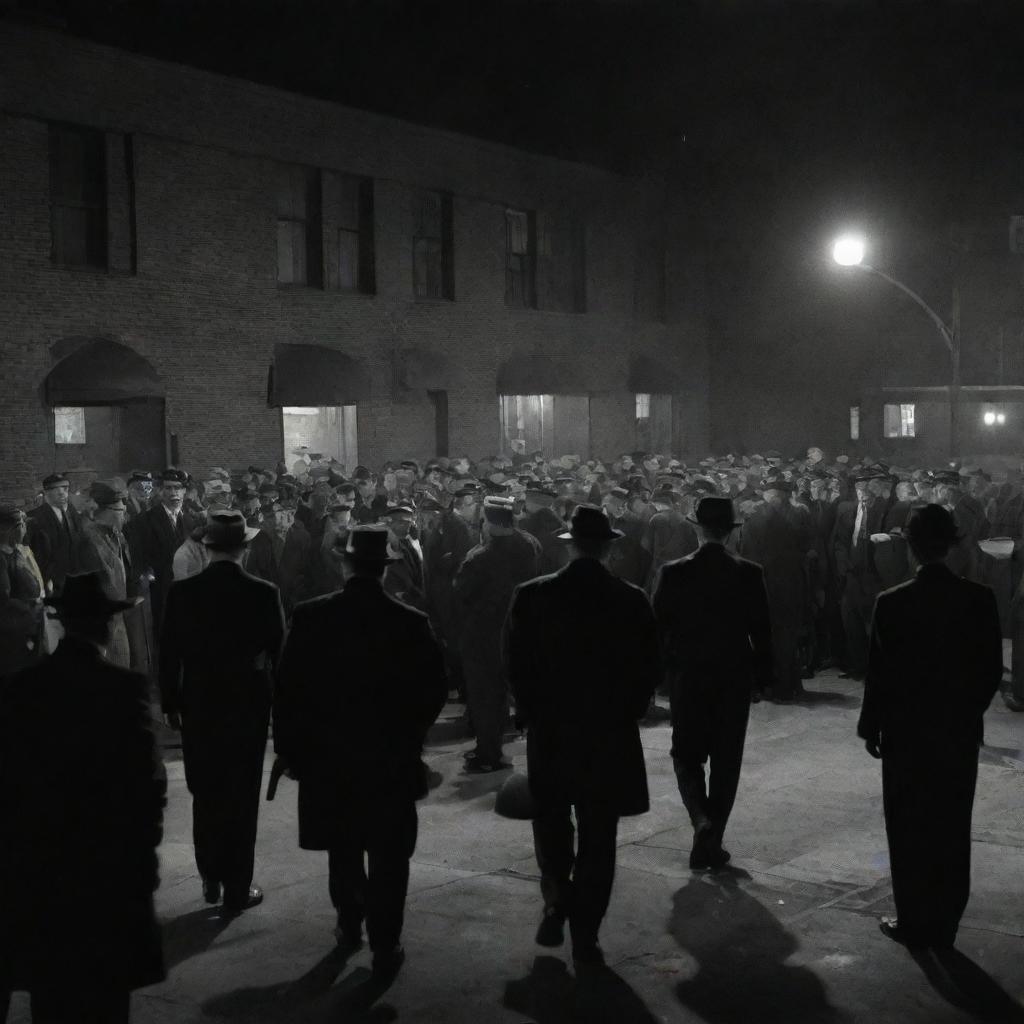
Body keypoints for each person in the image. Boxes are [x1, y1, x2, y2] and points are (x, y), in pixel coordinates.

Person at [274, 526, 446, 981]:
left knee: (343, 846)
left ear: (345, 564)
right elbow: (433, 691)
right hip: (389, 759)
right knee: (390, 855)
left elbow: (288, 690)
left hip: (330, 760)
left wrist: (291, 750)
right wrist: (410, 737)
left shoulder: (311, 617)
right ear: (385, 570)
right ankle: (386, 943)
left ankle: (349, 924)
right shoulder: (410, 622)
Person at [0, 572, 165, 1023]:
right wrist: (144, 862)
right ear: (109, 627)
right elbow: (146, 787)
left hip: (42, 869)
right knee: (106, 995)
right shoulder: (124, 688)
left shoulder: (20, 688)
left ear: (63, 622)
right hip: (106, 869)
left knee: (51, 994)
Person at [503, 504, 659, 966]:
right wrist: (628, 711)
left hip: (551, 729)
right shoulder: (631, 599)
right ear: (609, 548)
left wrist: (528, 711)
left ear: (569, 545)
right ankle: (587, 931)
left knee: (551, 819)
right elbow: (649, 667)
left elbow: (514, 664)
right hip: (607, 733)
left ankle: (555, 895)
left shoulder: (532, 596)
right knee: (599, 830)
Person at [858, 504, 1002, 949]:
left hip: (905, 734)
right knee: (952, 824)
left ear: (912, 548)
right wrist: (964, 714)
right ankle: (946, 921)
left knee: (906, 825)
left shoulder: (891, 602)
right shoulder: (979, 599)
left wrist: (871, 726)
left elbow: (878, 673)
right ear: (951, 546)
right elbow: (991, 670)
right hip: (956, 733)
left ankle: (913, 919)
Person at [159, 510, 285, 918]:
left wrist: (169, 703)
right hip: (247, 702)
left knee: (205, 791)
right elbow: (280, 656)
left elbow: (168, 654)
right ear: (245, 549)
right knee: (242, 795)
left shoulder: (181, 593)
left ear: (206, 548)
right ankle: (236, 887)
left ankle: (210, 875)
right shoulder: (264, 593)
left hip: (199, 701)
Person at [653, 496, 773, 869]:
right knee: (726, 762)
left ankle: (699, 819)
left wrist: (662, 674)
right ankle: (712, 838)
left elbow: (658, 628)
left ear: (696, 527)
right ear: (731, 532)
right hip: (733, 678)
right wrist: (761, 679)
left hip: (688, 677)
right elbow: (762, 632)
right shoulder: (749, 573)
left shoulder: (673, 572)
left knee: (686, 756)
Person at [455, 496, 542, 773]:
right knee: (515, 689)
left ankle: (488, 753)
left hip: (485, 635)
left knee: (485, 694)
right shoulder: (530, 545)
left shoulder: (479, 557)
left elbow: (461, 592)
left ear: (490, 523)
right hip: (522, 629)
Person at [739, 477, 812, 701]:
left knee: (764, 635)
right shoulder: (800, 515)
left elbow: (745, 553)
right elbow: (807, 547)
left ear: (768, 495)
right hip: (790, 584)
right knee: (787, 635)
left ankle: (767, 686)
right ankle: (789, 685)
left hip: (762, 584)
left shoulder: (754, 519)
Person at [132, 468, 197, 652]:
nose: (173, 493)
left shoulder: (191, 522)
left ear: (185, 491)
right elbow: (139, 559)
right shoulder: (144, 521)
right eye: (168, 488)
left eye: (178, 488)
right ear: (160, 491)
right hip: (159, 596)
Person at [832, 472, 887, 680]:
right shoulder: (848, 511)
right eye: (859, 491)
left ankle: (877, 669)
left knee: (874, 624)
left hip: (873, 576)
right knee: (851, 621)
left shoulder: (883, 511)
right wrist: (844, 565)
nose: (863, 495)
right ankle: (857, 667)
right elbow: (839, 541)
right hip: (852, 575)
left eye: (867, 491)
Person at [77, 482, 135, 668]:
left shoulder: (116, 535)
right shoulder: (89, 540)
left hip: (116, 616)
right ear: (108, 511)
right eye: (120, 510)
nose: (125, 513)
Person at [0, 505, 45, 679]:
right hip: (13, 636)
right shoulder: (2, 559)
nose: (26, 529)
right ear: (11, 530)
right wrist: (34, 605)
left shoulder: (17, 551)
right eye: (22, 525)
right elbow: (3, 600)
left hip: (28, 627)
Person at [25, 471, 82, 598]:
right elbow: (30, 555)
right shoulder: (35, 518)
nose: (62, 492)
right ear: (46, 493)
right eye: (55, 489)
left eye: (65, 488)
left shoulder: (73, 514)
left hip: (73, 580)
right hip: (48, 584)